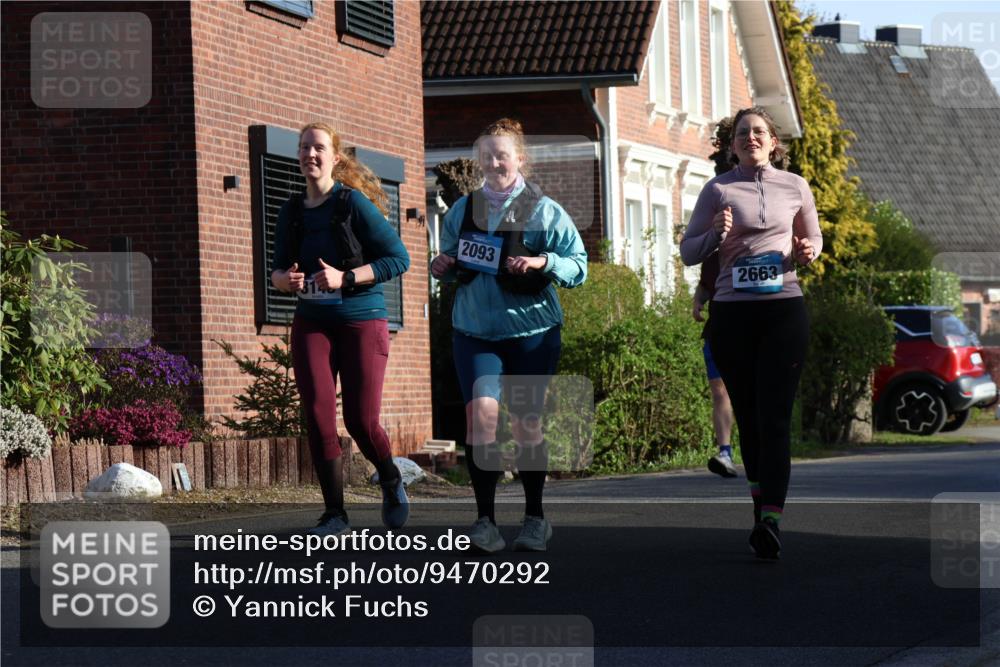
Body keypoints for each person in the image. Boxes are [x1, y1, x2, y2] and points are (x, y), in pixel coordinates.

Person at [430, 118, 587, 553]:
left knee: (525, 424)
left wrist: (544, 264)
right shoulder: (463, 210)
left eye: (503, 154)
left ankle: (535, 518)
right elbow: (452, 261)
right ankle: (485, 522)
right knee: (481, 417)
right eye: (487, 155)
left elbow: (579, 265)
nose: (495, 162)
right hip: (475, 332)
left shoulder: (545, 210)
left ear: (520, 159)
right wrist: (441, 266)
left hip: (531, 331)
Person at [680, 107, 822, 560]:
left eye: (759, 132)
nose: (751, 138)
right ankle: (761, 516)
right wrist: (715, 237)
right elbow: (687, 252)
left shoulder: (795, 185)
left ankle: (772, 519)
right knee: (749, 417)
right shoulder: (717, 189)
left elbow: (813, 239)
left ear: (773, 142)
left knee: (775, 418)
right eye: (743, 133)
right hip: (733, 318)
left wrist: (806, 251)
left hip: (783, 312)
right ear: (732, 144)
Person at [271, 122, 411, 537]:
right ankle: (335, 514)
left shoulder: (352, 205)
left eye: (318, 148)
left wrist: (346, 279)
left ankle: (389, 477)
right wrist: (285, 281)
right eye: (303, 148)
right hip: (312, 320)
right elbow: (277, 270)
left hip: (360, 319)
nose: (310, 155)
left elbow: (397, 259)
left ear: (335, 157)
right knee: (317, 416)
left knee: (360, 420)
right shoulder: (291, 211)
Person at [692, 251, 737, 478]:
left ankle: (763, 448)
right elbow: (705, 285)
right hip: (717, 331)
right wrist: (698, 301)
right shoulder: (712, 258)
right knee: (720, 392)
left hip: (749, 331)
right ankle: (725, 454)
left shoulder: (754, 249)